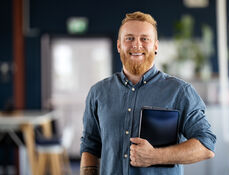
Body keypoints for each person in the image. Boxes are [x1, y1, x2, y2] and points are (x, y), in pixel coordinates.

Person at [80, 11, 216, 175]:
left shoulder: (180, 92)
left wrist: (155, 156)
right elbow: (90, 145)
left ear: (156, 46)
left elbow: (206, 145)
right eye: (129, 38)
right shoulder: (98, 93)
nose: (137, 45)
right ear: (118, 45)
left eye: (144, 39)